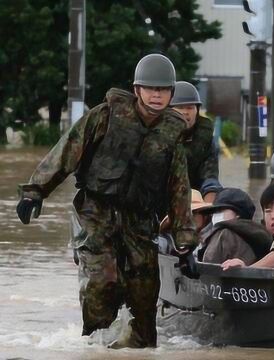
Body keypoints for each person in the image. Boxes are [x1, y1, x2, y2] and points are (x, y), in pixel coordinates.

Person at [15, 53, 196, 348]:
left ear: (171, 94)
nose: (156, 95)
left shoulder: (172, 134)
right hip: (96, 210)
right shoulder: (106, 115)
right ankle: (95, 347)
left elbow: (179, 188)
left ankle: (139, 349)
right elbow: (67, 151)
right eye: (150, 88)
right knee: (103, 280)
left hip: (139, 218)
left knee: (144, 289)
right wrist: (36, 191)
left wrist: (185, 241)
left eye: (163, 90)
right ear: (137, 90)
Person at [170, 81, 221, 203]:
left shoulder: (205, 139)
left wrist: (208, 208)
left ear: (197, 111)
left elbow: (210, 178)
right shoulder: (157, 137)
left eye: (190, 107)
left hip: (195, 199)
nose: (185, 112)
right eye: (180, 107)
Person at [197, 187, 272, 264]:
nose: (216, 215)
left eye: (221, 210)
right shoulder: (258, 232)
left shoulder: (224, 233)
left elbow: (209, 264)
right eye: (215, 212)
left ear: (238, 214)